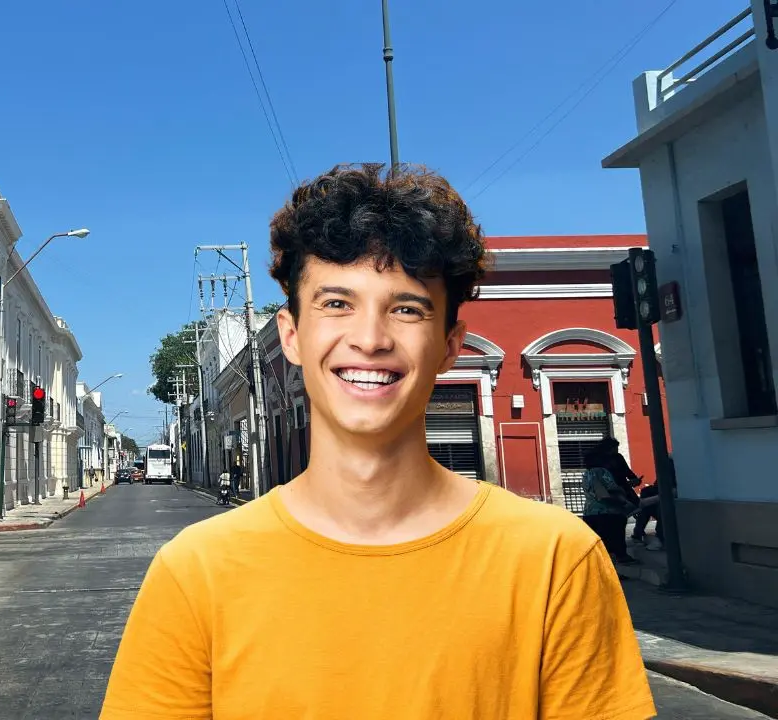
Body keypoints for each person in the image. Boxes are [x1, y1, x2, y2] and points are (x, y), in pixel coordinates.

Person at [102, 164, 654, 719]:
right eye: (336, 304)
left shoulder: (555, 560)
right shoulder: (195, 573)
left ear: (449, 345)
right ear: (290, 335)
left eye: (406, 308)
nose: (369, 340)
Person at [582, 442, 639, 564]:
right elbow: (608, 491)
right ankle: (620, 559)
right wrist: (623, 500)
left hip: (589, 513)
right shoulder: (602, 472)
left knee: (600, 543)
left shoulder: (586, 474)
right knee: (615, 537)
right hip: (607, 512)